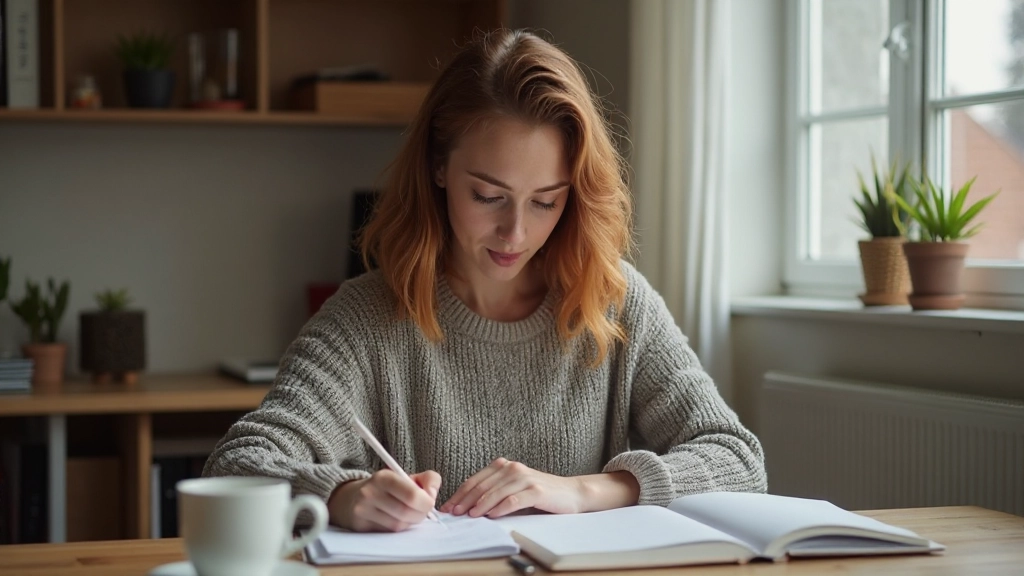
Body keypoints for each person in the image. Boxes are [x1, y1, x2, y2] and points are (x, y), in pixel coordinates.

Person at [203, 29, 766, 533]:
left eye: (545, 202)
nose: (514, 233)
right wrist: (345, 495)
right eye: (489, 196)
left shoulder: (614, 302)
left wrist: (583, 491)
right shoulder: (367, 317)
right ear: (438, 168)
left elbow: (738, 461)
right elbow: (240, 462)